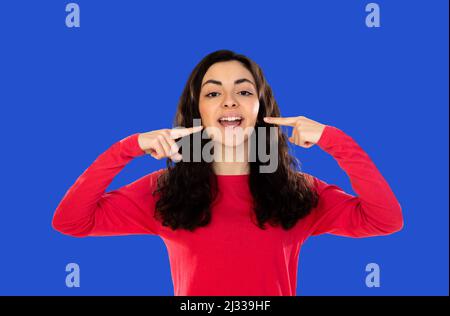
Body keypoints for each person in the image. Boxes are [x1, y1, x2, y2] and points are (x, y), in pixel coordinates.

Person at [52, 49, 403, 296]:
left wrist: (333, 139)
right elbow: (70, 222)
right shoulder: (164, 191)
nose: (229, 101)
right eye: (213, 92)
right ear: (198, 110)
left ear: (260, 108)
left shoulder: (299, 193)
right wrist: (128, 147)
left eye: (244, 91)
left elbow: (384, 220)